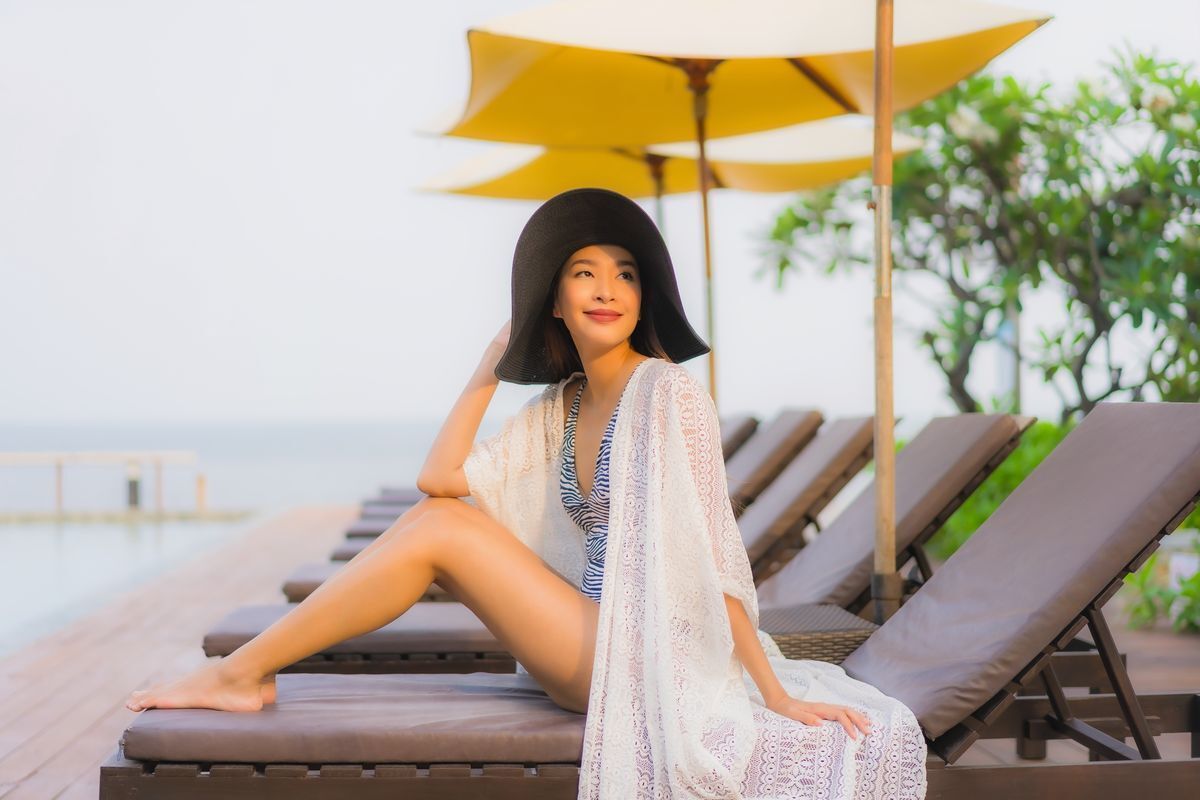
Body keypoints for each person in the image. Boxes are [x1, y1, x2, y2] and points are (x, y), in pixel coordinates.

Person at [125, 188, 926, 799]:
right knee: (436, 520)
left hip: (647, 654)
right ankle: (243, 674)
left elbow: (715, 557)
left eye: (625, 275)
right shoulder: (561, 407)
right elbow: (440, 481)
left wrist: (775, 693)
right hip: (583, 644)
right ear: (555, 299)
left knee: (443, 534)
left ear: (643, 300)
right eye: (584, 273)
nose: (606, 287)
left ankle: (241, 674)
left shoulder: (667, 394)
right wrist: (485, 370)